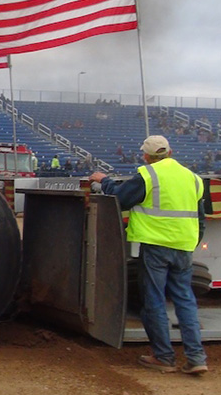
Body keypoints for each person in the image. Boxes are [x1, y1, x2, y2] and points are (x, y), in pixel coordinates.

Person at [89, 135, 208, 375]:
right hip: (184, 247)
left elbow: (121, 198)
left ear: (146, 156)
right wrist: (192, 242)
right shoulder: (192, 178)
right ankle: (196, 358)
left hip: (156, 247)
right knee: (185, 300)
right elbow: (200, 218)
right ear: (170, 153)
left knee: (154, 300)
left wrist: (104, 181)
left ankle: (164, 357)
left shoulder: (148, 175)